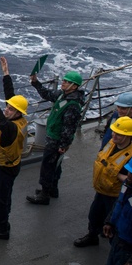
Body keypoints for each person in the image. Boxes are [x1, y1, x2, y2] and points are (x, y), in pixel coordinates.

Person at [73, 116, 132, 247]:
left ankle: (114, 248)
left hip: (115, 195)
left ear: (128, 136)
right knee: (94, 215)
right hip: (101, 189)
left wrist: (116, 175)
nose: (114, 135)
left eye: (119, 134)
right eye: (114, 132)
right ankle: (92, 236)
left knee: (113, 222)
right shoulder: (111, 142)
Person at [0, 57, 29, 240]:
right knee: (1, 195)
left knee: (1, 198)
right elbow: (11, 96)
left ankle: (2, 228)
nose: (7, 109)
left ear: (17, 113)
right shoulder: (18, 118)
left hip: (5, 167)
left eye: (10, 109)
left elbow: (0, 121)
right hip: (7, 164)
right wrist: (6, 73)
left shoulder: (10, 128)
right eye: (7, 107)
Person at [27, 70, 85, 205]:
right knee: (55, 165)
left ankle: (44, 194)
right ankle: (52, 189)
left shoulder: (73, 104)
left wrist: (63, 145)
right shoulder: (62, 96)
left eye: (67, 82)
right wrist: (35, 82)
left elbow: (68, 127)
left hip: (57, 140)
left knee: (48, 165)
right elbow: (47, 94)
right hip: (54, 136)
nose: (63, 83)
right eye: (64, 80)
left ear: (74, 86)